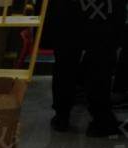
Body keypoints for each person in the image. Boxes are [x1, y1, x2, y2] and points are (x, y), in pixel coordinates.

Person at [48, 0, 127, 136]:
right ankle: (101, 119)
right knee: (100, 59)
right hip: (105, 11)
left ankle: (62, 116)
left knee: (66, 59)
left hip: (68, 11)